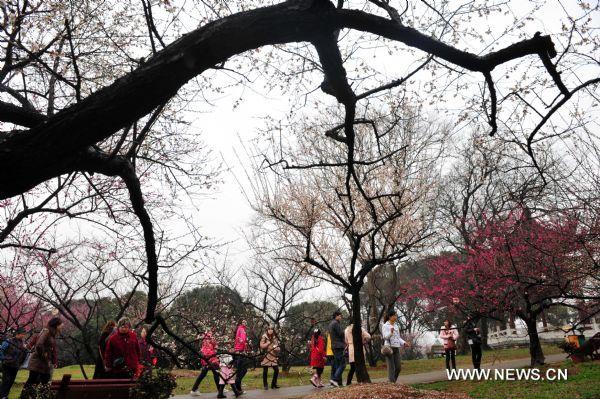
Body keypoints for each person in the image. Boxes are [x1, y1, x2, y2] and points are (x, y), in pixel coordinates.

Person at [20, 317, 62, 399]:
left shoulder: (52, 334)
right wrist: (44, 355)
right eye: (60, 324)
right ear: (56, 325)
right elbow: (39, 345)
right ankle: (24, 396)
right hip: (37, 362)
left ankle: (39, 396)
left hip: (44, 363)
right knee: (33, 380)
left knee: (43, 381)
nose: (62, 325)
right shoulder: (46, 332)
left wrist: (53, 360)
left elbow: (52, 349)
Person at [381, 309, 410, 383]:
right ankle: (392, 383)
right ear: (390, 317)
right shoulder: (385, 326)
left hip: (396, 347)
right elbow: (384, 337)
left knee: (398, 367)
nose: (395, 317)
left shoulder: (396, 326)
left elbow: (398, 337)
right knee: (391, 368)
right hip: (389, 348)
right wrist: (390, 333)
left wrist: (404, 343)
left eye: (396, 315)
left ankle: (392, 382)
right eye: (394, 315)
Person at [190, 329, 220, 396]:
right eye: (210, 332)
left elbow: (212, 347)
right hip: (211, 359)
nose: (211, 334)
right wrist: (214, 352)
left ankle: (194, 389)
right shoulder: (207, 339)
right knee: (216, 373)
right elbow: (208, 350)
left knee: (203, 374)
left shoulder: (206, 339)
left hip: (206, 359)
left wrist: (215, 348)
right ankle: (220, 390)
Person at [0, 327, 27, 399]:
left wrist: (21, 362)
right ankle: (3, 396)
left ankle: (5, 395)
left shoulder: (23, 343)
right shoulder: (8, 341)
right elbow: (1, 351)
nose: (23, 336)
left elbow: (24, 354)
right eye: (22, 334)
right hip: (7, 365)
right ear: (17, 334)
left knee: (11, 381)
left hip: (16, 365)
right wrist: (4, 358)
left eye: (24, 334)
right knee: (6, 380)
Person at [260, 325, 280, 390]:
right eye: (269, 329)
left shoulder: (274, 337)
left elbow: (277, 346)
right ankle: (265, 385)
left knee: (276, 370)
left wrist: (276, 348)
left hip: (273, 356)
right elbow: (261, 346)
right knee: (265, 371)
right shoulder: (264, 337)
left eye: (271, 329)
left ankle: (273, 384)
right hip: (266, 356)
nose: (270, 330)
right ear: (267, 330)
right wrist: (267, 343)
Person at [328, 310, 345, 387]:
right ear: (336, 316)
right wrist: (345, 331)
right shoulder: (336, 323)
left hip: (334, 346)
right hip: (338, 346)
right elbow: (340, 334)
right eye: (340, 316)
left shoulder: (331, 324)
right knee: (342, 365)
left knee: (337, 365)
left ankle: (335, 383)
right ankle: (334, 379)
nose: (341, 318)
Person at [233, 320, 249, 393]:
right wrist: (244, 344)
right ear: (240, 323)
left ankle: (238, 386)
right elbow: (241, 340)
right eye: (243, 322)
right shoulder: (241, 329)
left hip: (241, 350)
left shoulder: (242, 329)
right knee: (242, 370)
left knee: (242, 370)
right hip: (240, 351)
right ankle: (237, 387)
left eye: (245, 322)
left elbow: (242, 340)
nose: (245, 323)